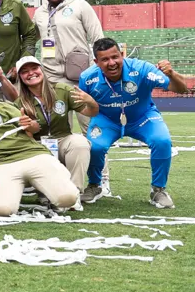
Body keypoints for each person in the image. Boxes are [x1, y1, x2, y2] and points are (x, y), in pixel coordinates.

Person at [78, 38, 188, 208]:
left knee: (162, 140)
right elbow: (81, 107)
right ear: (96, 62)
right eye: (105, 59)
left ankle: (158, 190)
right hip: (106, 119)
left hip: (142, 117)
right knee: (95, 146)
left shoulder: (141, 69)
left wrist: (171, 73)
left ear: (121, 55)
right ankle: (94, 186)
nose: (112, 63)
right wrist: (91, 108)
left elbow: (181, 89)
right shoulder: (87, 78)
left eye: (115, 57)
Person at [0, 78, 80, 215]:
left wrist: (30, 124)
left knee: (67, 198)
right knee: (2, 210)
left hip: (32, 155)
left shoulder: (1, 107)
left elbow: (34, 127)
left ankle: (52, 189)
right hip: (1, 164)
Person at [13, 56, 95, 196]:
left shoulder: (62, 90)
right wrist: (31, 129)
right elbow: (22, 138)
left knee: (79, 142)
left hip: (63, 140)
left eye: (34, 68)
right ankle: (45, 192)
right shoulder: (19, 103)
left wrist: (91, 101)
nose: (31, 73)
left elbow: (91, 112)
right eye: (25, 71)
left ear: (42, 70)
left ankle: (74, 193)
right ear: (20, 77)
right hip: (38, 146)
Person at [33, 0, 104, 89]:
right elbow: (31, 38)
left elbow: (97, 38)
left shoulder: (80, 5)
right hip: (51, 75)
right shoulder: (39, 13)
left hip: (79, 72)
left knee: (82, 107)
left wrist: (95, 68)